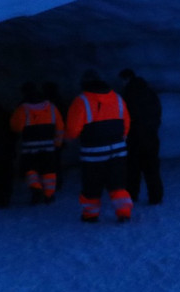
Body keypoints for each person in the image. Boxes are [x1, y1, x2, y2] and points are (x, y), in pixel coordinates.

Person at [65, 69, 133, 223]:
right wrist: (120, 140)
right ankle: (123, 212)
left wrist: (67, 140)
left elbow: (73, 129)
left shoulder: (81, 101)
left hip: (93, 153)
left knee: (92, 185)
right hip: (118, 150)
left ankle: (90, 215)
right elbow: (126, 123)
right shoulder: (117, 98)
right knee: (117, 184)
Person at [10, 81, 64, 204]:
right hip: (48, 146)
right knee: (49, 170)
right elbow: (60, 126)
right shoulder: (51, 107)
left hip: (29, 147)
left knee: (30, 169)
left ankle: (36, 188)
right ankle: (49, 195)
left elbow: (16, 127)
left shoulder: (22, 109)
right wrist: (57, 143)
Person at [118, 68, 164, 205]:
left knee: (133, 169)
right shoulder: (150, 93)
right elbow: (157, 113)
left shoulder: (129, 94)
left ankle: (132, 195)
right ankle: (156, 197)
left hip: (134, 138)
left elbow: (126, 116)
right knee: (152, 169)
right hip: (151, 137)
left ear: (126, 78)